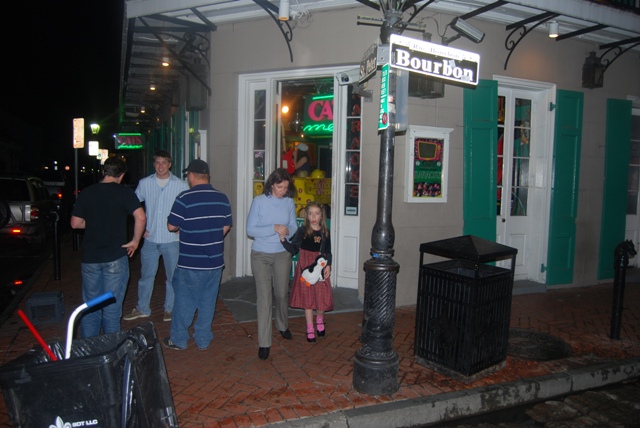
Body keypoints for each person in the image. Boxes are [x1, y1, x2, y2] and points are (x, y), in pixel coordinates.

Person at [70, 156, 146, 338]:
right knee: (112, 310)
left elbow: (75, 223)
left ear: (104, 171)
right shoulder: (124, 193)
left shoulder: (87, 193)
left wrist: (96, 223)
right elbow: (141, 217)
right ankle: (110, 352)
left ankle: (90, 351)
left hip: (90, 259)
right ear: (122, 175)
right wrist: (136, 241)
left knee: (91, 308)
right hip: (115, 257)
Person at [163, 159, 232, 351]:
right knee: (207, 302)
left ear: (192, 176)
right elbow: (225, 227)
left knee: (184, 302)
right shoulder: (222, 198)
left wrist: (189, 229)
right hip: (215, 263)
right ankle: (203, 339)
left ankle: (179, 339)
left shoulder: (184, 198)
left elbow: (171, 226)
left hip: (191, 263)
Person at [123, 150, 188, 323]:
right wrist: (140, 226)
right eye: (158, 162)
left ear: (170, 164)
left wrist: (182, 227)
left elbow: (187, 210)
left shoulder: (180, 185)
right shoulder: (145, 183)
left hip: (171, 240)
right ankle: (143, 307)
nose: (161, 166)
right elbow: (133, 206)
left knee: (172, 277)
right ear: (154, 164)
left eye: (164, 162)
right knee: (146, 276)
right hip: (150, 239)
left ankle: (170, 309)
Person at [246, 168, 298, 360]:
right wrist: (273, 228)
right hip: (261, 254)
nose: (282, 190)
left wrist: (287, 231)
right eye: (279, 186)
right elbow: (250, 229)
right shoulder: (259, 202)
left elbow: (294, 225)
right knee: (265, 298)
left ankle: (283, 325)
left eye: (285, 187)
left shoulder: (289, 202)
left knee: (281, 293)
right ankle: (264, 342)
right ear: (271, 184)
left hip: (282, 253)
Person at [282, 201, 333, 343]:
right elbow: (294, 249)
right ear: (307, 215)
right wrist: (283, 241)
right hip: (305, 268)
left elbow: (328, 252)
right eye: (310, 214)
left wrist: (328, 264)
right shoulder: (302, 231)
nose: (313, 217)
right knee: (308, 299)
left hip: (320, 266)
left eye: (317, 213)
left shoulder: (324, 232)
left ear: (321, 215)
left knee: (322, 297)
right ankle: (310, 327)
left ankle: (320, 318)